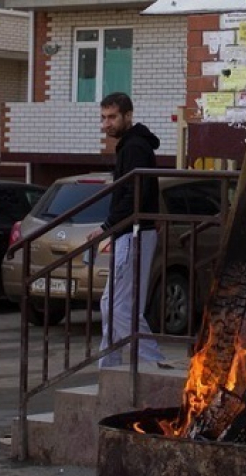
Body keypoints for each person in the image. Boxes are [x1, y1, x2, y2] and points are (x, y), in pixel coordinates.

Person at [87, 92, 165, 368]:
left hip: (132, 233)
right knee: (116, 304)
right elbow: (141, 190)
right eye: (103, 118)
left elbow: (136, 191)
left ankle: (153, 362)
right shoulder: (131, 145)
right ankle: (111, 366)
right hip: (132, 232)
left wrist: (107, 227)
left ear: (128, 116)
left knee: (116, 306)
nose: (106, 124)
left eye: (112, 117)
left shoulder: (134, 147)